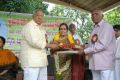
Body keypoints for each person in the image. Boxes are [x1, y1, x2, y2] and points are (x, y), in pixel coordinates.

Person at [20, 9, 58, 80]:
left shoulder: (41, 28)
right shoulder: (29, 26)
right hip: (32, 62)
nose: (40, 17)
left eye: (42, 16)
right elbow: (34, 42)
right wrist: (50, 45)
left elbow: (43, 43)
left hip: (42, 61)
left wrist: (51, 43)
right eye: (38, 15)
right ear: (33, 16)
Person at [78, 9, 116, 80]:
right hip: (94, 63)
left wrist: (84, 51)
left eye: (96, 14)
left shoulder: (107, 26)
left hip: (105, 63)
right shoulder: (94, 28)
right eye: (92, 15)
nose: (93, 16)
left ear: (102, 16)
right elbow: (93, 44)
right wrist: (85, 46)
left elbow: (102, 45)